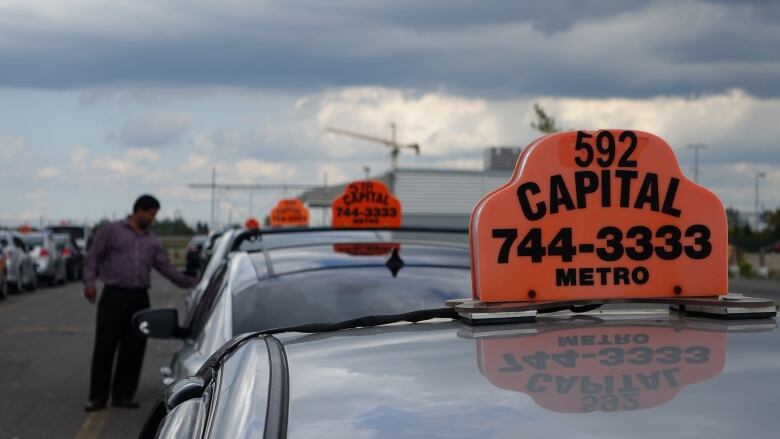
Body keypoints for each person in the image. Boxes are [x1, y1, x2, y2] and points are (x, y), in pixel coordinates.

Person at [83, 195, 196, 411]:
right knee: (105, 347)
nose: (153, 219)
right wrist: (89, 283)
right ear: (139, 211)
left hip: (138, 298)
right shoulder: (112, 231)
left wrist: (193, 282)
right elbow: (92, 258)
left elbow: (166, 268)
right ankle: (97, 397)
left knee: (134, 348)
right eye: (151, 214)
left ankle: (123, 395)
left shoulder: (151, 241)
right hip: (113, 296)